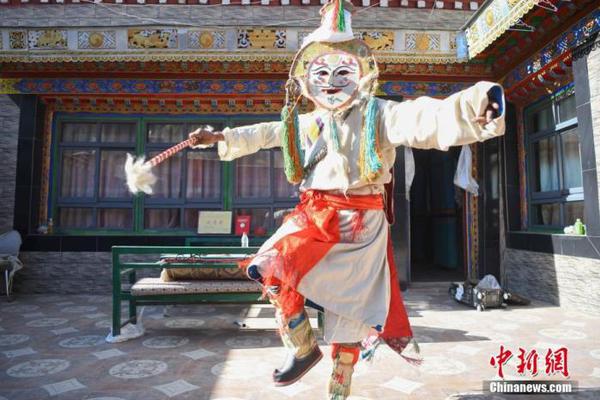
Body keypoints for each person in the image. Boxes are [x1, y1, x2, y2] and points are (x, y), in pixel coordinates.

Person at [190, 1, 505, 398]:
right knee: (270, 264)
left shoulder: (380, 114)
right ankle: (303, 347)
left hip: (361, 224)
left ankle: (339, 391)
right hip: (315, 216)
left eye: (342, 72)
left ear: (361, 75)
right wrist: (219, 137)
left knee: (348, 317)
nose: (332, 81)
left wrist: (473, 107)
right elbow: (268, 132)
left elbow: (422, 118)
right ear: (309, 81)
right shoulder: (307, 122)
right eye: (321, 73)